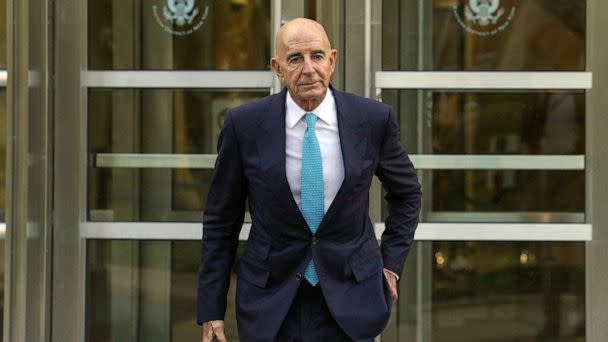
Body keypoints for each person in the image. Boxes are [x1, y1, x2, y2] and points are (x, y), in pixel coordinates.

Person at [197, 18, 422, 342]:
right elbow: (221, 220)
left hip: (351, 300)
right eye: (294, 59)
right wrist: (211, 309)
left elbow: (408, 194)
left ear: (331, 60)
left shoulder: (372, 120)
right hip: (270, 303)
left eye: (316, 56)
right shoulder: (244, 126)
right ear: (277, 68)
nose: (308, 69)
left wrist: (391, 264)